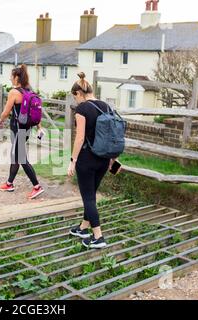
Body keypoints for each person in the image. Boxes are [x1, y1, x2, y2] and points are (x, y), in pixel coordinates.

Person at [68, 72, 118, 249]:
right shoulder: (107, 106)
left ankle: (98, 237)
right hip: (104, 159)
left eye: (75, 98)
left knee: (88, 198)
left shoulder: (82, 109)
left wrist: (73, 160)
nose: (76, 102)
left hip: (87, 160)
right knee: (91, 195)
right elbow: (114, 134)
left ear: (78, 94)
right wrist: (113, 159)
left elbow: (79, 138)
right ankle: (83, 228)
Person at [0, 64, 45, 199]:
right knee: (16, 156)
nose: (10, 78)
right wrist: (39, 127)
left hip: (18, 130)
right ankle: (9, 183)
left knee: (21, 158)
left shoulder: (14, 92)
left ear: (16, 77)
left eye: (11, 76)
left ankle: (37, 186)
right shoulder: (28, 90)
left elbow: (6, 112)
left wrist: (0, 120)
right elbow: (34, 113)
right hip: (26, 129)